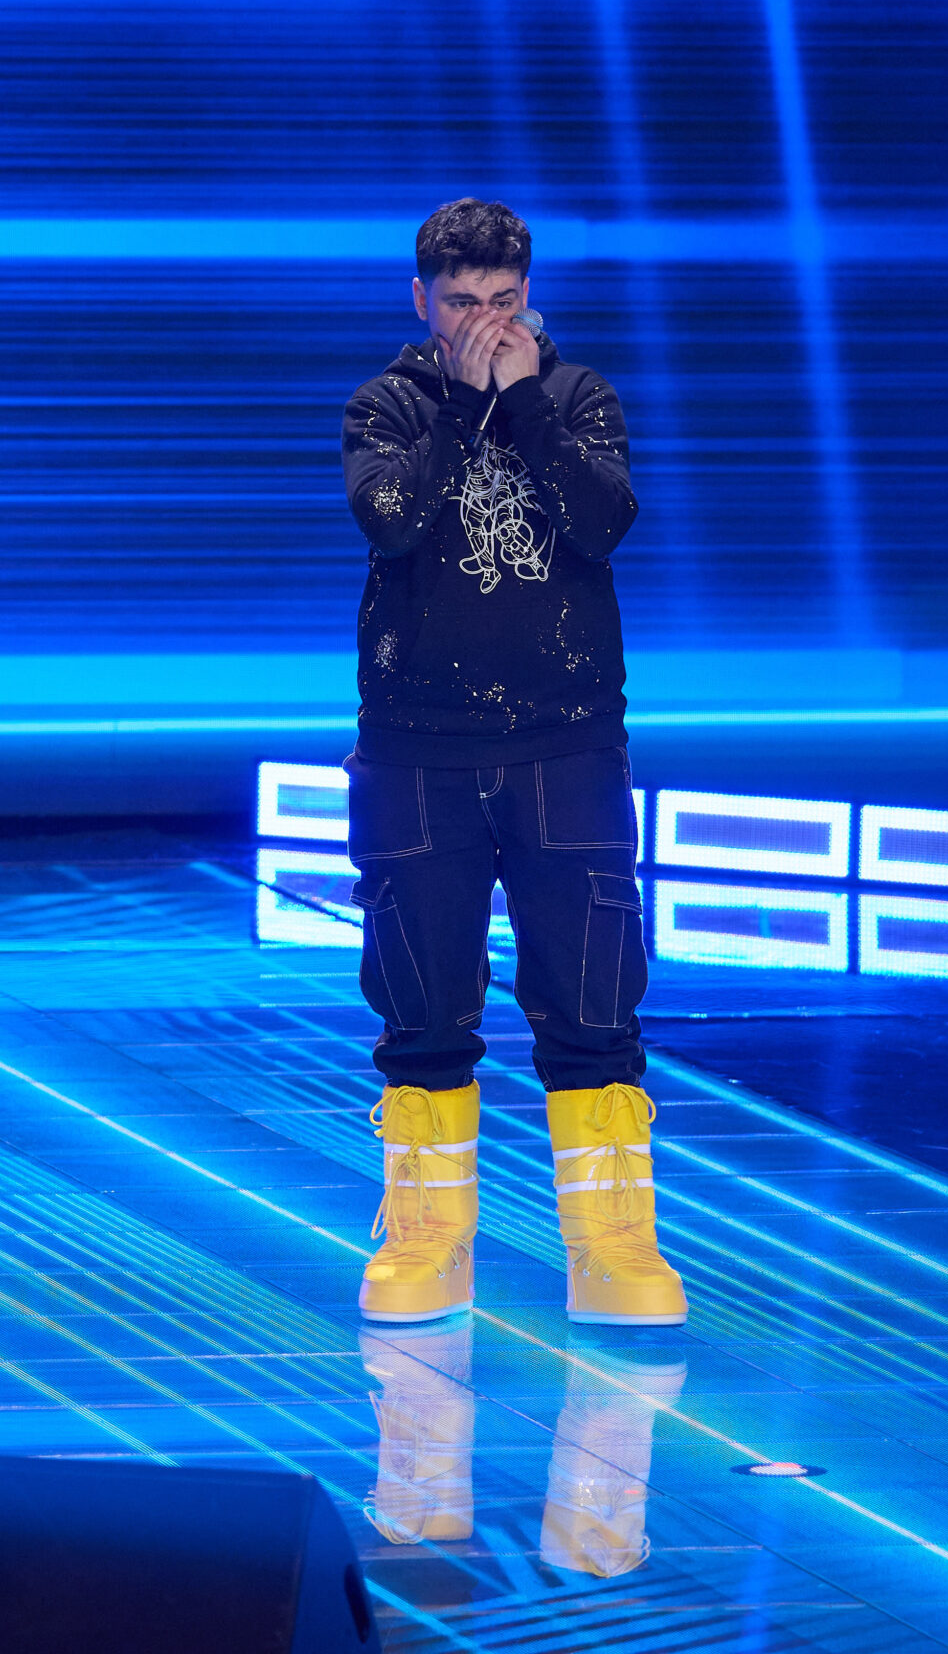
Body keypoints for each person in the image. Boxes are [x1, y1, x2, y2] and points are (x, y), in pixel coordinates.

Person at [341, 198, 685, 1330]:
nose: (485, 323)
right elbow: (391, 520)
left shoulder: (577, 398)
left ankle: (612, 1244)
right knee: (423, 1004)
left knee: (593, 999)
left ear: (528, 295)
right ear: (420, 302)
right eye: (460, 304)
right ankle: (428, 1237)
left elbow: (602, 522)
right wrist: (462, 402)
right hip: (419, 751)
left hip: (564, 741)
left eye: (502, 301)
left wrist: (523, 400)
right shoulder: (387, 405)